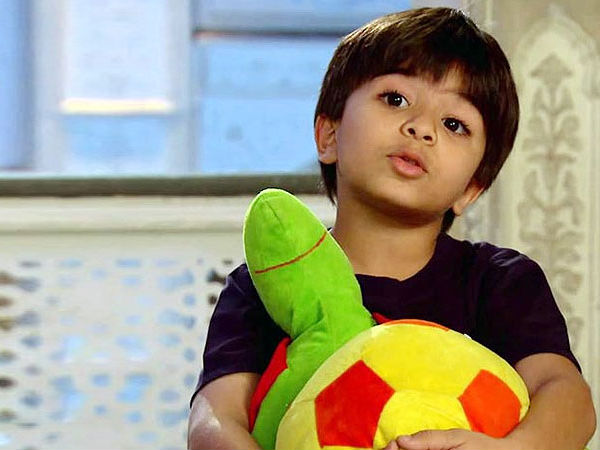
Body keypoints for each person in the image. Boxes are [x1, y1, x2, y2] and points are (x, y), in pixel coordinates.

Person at [187, 7, 596, 450]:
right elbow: (214, 419)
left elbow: (567, 396)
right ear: (329, 135)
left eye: (454, 124)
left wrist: (514, 448)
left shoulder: (500, 281)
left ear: (471, 189)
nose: (421, 128)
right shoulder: (264, 285)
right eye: (395, 99)